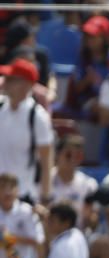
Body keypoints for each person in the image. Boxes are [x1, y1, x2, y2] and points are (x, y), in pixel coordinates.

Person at [0, 58, 53, 204]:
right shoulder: (1, 107)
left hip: (22, 195)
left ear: (26, 85)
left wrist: (46, 196)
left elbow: (46, 160)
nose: (6, 82)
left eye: (12, 79)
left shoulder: (37, 117)